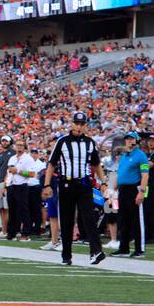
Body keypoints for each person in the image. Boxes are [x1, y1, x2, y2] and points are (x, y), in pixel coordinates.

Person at [43, 112, 106, 267]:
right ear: (72, 124)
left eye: (82, 124)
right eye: (76, 123)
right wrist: (47, 184)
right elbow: (52, 164)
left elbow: (96, 164)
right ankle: (66, 255)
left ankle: (96, 251)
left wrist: (103, 182)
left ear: (85, 126)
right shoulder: (62, 142)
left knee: (89, 218)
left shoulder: (90, 143)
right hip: (66, 184)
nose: (79, 127)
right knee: (66, 220)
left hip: (84, 184)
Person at [113, 132, 150, 257]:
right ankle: (124, 248)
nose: (129, 141)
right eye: (127, 139)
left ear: (136, 141)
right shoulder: (124, 156)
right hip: (123, 189)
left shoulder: (141, 156)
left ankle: (139, 249)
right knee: (123, 220)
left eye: (131, 139)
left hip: (134, 189)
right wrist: (113, 191)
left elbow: (145, 174)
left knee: (136, 220)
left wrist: (142, 192)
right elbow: (119, 175)